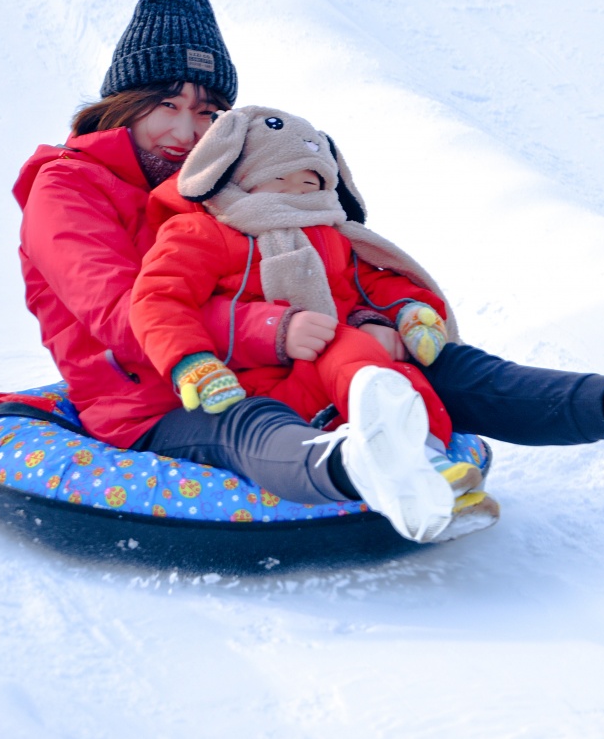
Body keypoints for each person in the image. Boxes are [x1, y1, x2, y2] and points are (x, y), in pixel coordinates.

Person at [14, 0, 604, 546]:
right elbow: (122, 320)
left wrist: (374, 313)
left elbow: (307, 253)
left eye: (207, 111)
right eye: (165, 104)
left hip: (277, 359)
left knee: (448, 368)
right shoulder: (68, 187)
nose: (185, 128)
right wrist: (276, 329)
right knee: (247, 419)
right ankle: (361, 465)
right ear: (124, 100)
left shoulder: (218, 180)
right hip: (155, 400)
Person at [128, 105, 497, 541]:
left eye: (310, 183)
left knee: (388, 367)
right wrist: (192, 362)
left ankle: (428, 462)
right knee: (352, 350)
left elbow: (374, 282)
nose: (296, 193)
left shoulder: (331, 236)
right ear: (241, 176)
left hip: (329, 378)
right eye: (280, 178)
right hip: (260, 381)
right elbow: (159, 297)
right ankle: (408, 463)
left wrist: (406, 313)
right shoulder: (204, 233)